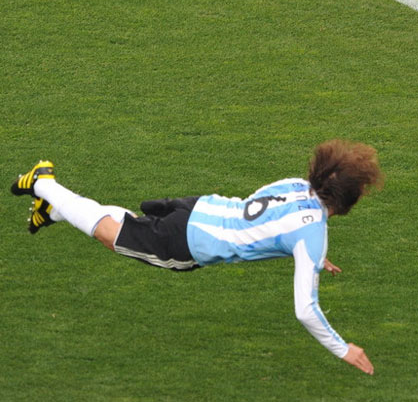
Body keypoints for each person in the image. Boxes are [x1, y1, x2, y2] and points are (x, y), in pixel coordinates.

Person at [10, 139, 384, 373]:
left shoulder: (298, 185)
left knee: (127, 230)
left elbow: (262, 212)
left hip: (201, 207)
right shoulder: (313, 233)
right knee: (112, 235)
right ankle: (44, 183)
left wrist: (310, 256)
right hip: (190, 243)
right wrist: (342, 349)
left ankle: (54, 211)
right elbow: (305, 309)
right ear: (349, 199)